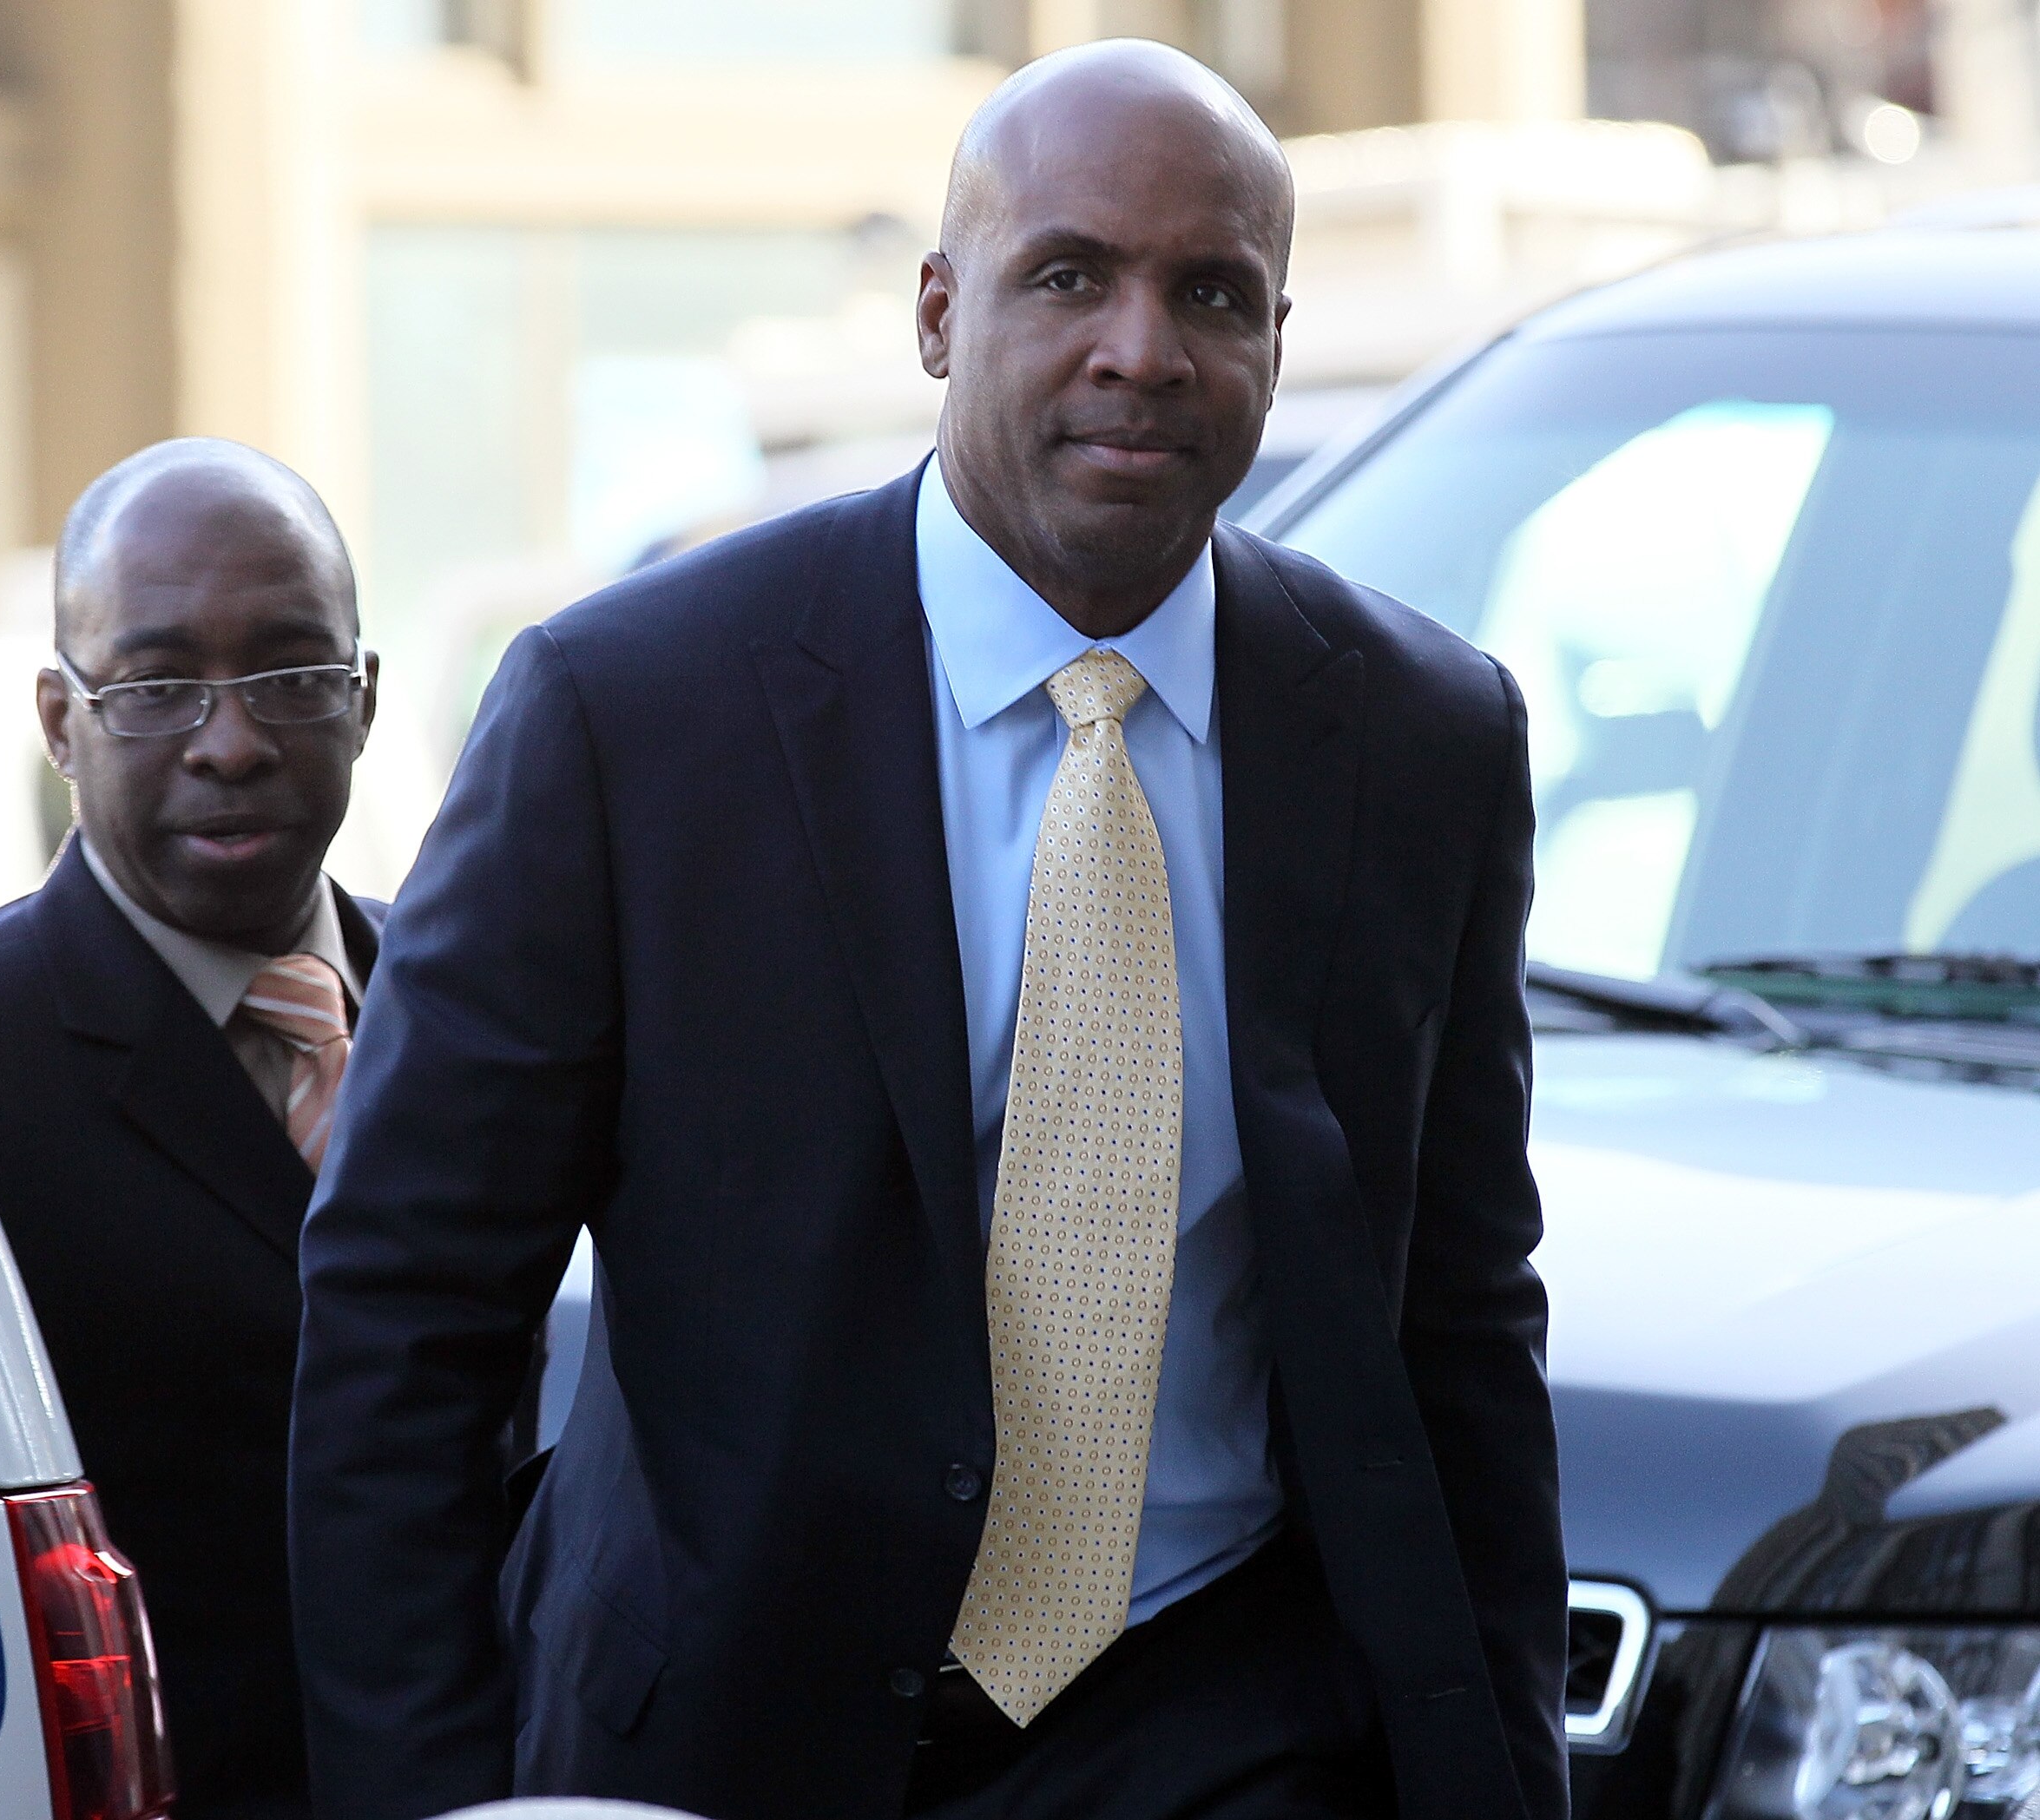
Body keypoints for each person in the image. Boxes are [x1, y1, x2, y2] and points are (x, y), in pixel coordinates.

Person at [291, 40, 1563, 1820]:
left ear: (1277, 342)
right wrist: (433, 1797)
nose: (1143, 347)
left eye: (1212, 292)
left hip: (1223, 1714)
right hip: (722, 1732)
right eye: (1070, 275)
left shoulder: (1419, 739)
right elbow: (410, 1309)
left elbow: (1461, 1325)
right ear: (939, 314)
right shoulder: (630, 716)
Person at [0, 438, 379, 1820]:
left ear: (363, 698)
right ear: (59, 718)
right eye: (159, 687)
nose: (229, 742)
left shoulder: (480, 1013)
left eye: (291, 676)